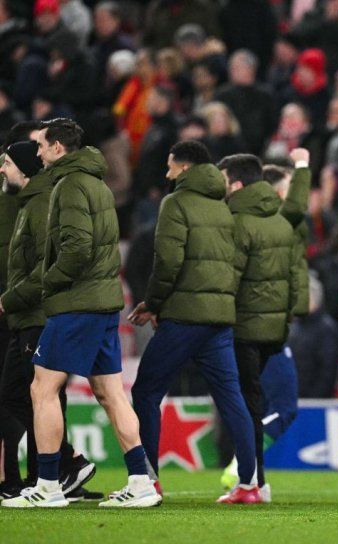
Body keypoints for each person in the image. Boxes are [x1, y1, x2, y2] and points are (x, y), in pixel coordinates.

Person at [3, 119, 159, 508]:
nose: (37, 153)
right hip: (104, 302)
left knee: (41, 389)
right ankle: (141, 481)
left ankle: (50, 485)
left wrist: (46, 284)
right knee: (110, 393)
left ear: (58, 148)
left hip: (77, 303)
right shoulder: (96, 182)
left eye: (40, 146)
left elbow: (76, 250)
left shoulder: (68, 186)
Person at [128, 141, 259, 505]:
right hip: (218, 318)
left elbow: (168, 262)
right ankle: (249, 484)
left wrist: (153, 304)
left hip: (185, 317)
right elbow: (233, 263)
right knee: (232, 399)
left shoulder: (176, 203)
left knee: (146, 392)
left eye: (170, 168)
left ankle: (147, 480)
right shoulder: (222, 205)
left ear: (183, 169)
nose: (167, 174)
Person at [217, 153, 301, 502]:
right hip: (270, 326)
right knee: (260, 404)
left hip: (250, 324)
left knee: (252, 403)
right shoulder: (278, 224)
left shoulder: (243, 223)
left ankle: (251, 478)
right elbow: (292, 278)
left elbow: (230, 277)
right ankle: (251, 475)